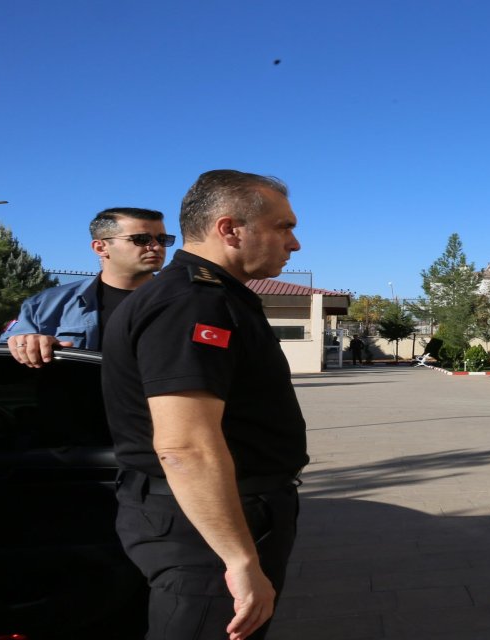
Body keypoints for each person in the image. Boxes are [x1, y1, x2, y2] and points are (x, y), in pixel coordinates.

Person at [102, 169, 307, 640]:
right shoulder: (194, 303)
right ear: (229, 229)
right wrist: (239, 560)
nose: (294, 244)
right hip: (205, 529)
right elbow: (185, 446)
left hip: (213, 517)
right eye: (284, 227)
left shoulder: (209, 296)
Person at [0, 207, 169, 366]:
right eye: (141, 239)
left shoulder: (185, 301)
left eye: (162, 239)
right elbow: (3, 364)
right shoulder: (45, 306)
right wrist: (25, 345)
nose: (156, 247)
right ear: (100, 247)